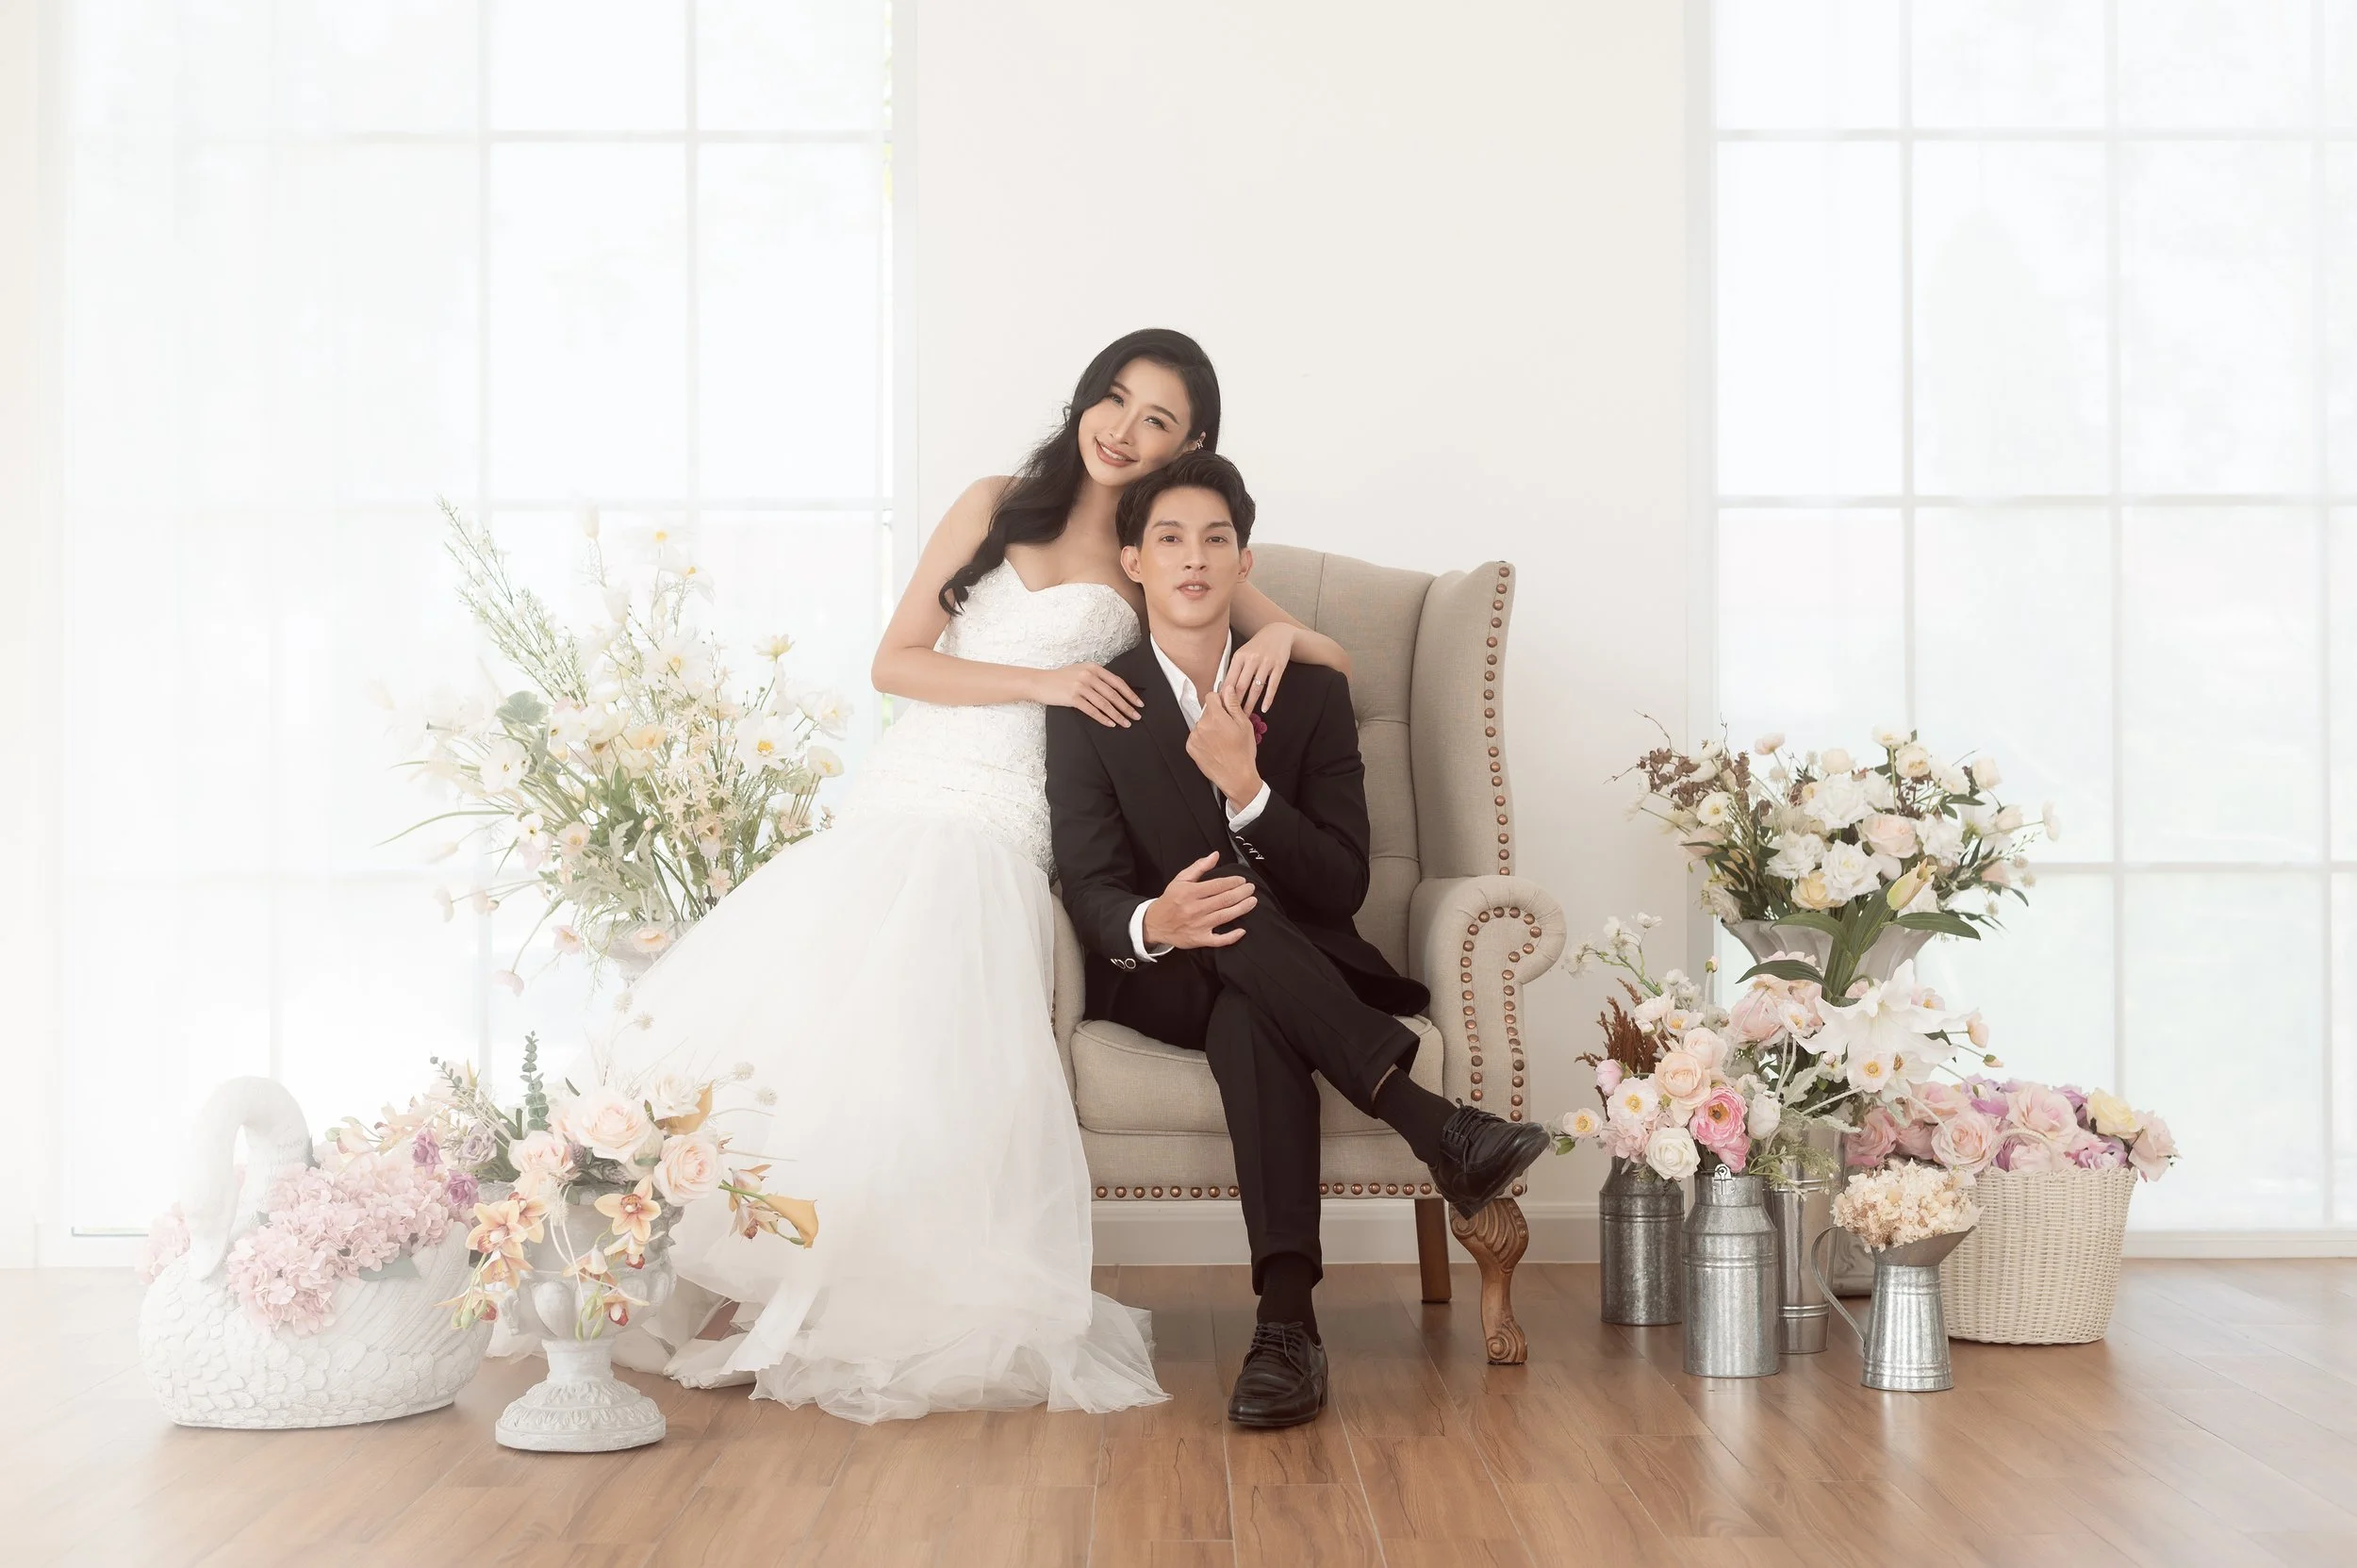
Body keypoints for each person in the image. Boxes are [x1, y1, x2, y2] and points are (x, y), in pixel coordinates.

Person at [602, 329, 1353, 1423]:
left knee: (926, 1047)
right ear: (1086, 400)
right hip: (909, 790)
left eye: (1157, 421)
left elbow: (1326, 652)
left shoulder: (1163, 551)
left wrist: (1278, 641)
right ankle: (758, 1268)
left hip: (1009, 824)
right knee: (819, 1031)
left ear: (1189, 443)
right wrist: (1047, 679)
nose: (1123, 431)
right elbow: (894, 660)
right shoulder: (998, 502)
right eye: (1113, 400)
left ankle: (859, 1285)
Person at [1043, 451, 1550, 1429]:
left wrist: (1249, 789)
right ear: (1133, 560)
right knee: (1221, 926)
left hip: (1279, 974)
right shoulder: (1095, 707)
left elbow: (1341, 883)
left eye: (1216, 539)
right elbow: (1091, 887)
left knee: (1251, 1012)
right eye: (1170, 539)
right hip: (1155, 979)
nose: (1194, 559)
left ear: (1242, 559)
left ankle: (1287, 1327)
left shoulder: (1309, 694)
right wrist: (1158, 920)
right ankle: (1427, 1119)